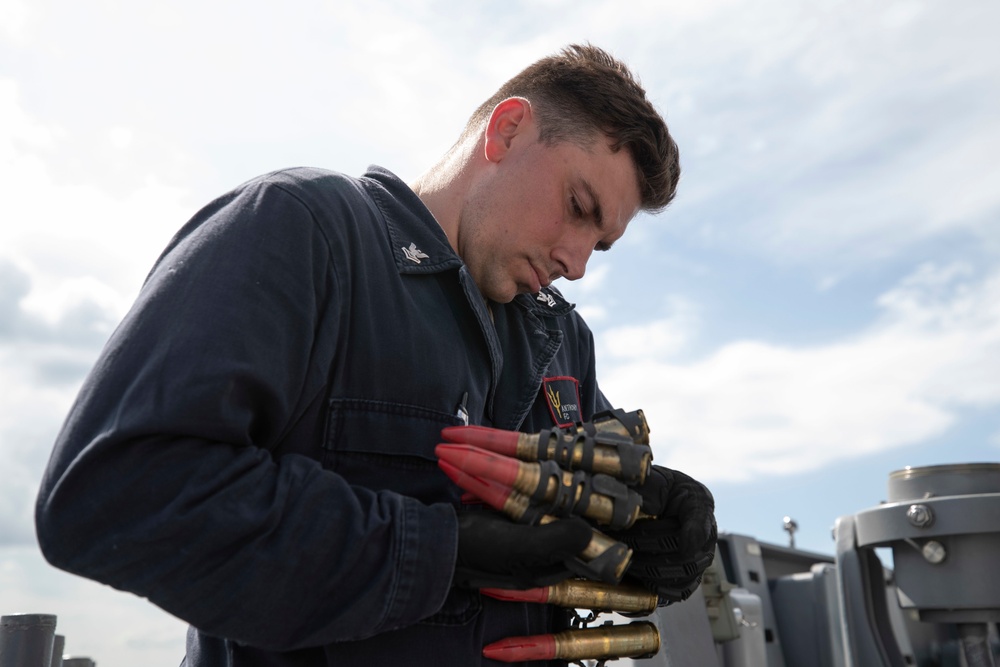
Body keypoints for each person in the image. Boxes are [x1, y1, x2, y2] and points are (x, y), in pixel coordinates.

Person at [35, 44, 716, 666]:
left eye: (599, 244)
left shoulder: (562, 342)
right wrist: (441, 553)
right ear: (507, 131)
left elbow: (586, 526)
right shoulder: (307, 234)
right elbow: (115, 491)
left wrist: (662, 532)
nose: (576, 262)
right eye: (577, 205)